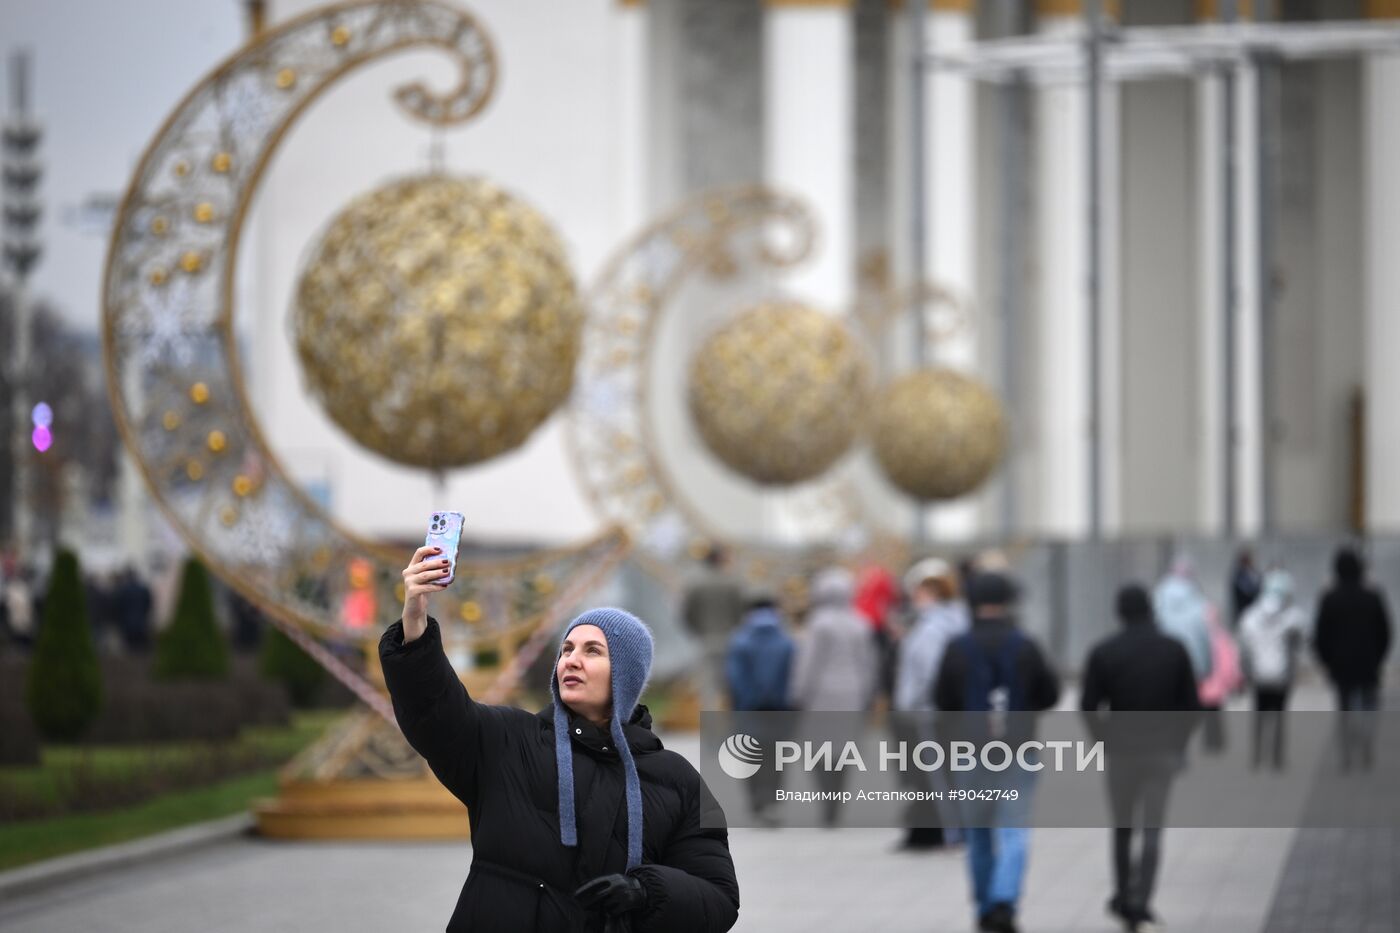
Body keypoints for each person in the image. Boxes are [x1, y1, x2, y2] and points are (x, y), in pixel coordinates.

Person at [380, 545, 740, 932]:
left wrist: (646, 891)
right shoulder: (507, 739)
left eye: (592, 651)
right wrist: (414, 621)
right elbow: (435, 710)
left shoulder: (677, 779)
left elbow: (719, 898)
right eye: (567, 648)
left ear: (625, 675)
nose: (571, 659)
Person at [935, 571, 1060, 933]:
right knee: (1014, 830)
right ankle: (1006, 898)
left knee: (978, 835)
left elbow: (942, 701)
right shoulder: (1025, 644)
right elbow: (1049, 694)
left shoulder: (958, 646)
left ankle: (985, 905)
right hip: (1018, 750)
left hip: (971, 752)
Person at [1080, 584, 1201, 933]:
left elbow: (1088, 706)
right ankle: (1142, 900)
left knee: (1122, 827)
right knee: (1152, 829)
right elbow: (1192, 707)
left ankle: (1122, 894)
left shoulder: (1104, 651)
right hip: (1161, 751)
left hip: (1121, 751)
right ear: (1151, 609)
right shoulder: (1174, 649)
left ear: (1119, 612)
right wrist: (1178, 742)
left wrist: (1102, 740)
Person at [789, 566, 877, 826]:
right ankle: (836, 802)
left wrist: (798, 693)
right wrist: (868, 693)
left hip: (821, 695)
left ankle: (826, 801)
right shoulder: (860, 622)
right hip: (853, 694)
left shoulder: (819, 624)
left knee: (819, 751)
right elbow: (868, 662)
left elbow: (809, 663)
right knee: (844, 751)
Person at [892, 557, 969, 849]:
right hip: (946, 711)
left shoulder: (932, 628)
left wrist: (911, 702)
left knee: (938, 776)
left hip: (929, 711)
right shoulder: (956, 621)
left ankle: (953, 834)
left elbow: (928, 672)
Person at [1313, 547, 1392, 771]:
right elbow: (1385, 632)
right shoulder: (1373, 597)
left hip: (1341, 665)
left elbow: (1320, 635)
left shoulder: (1330, 599)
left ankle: (1347, 750)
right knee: (1369, 705)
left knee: (1345, 707)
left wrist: (1327, 661)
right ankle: (1366, 743)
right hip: (1368, 663)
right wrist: (1378, 657)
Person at [724, 591, 794, 826]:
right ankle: (773, 803)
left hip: (748, 709)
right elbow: (793, 676)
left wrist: (744, 701)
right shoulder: (786, 640)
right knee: (776, 757)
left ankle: (756, 804)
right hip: (779, 709)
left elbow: (734, 678)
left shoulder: (740, 640)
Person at [1239, 569, 1307, 770]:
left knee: (1259, 714)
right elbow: (1302, 639)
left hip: (1258, 674)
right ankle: (1277, 757)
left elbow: (1244, 645)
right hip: (1281, 675)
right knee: (1279, 714)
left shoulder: (1251, 615)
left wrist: (1246, 670)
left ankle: (1257, 755)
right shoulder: (1292, 617)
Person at [681, 546, 745, 712]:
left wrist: (697, 630)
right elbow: (741, 612)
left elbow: (687, 613)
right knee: (731, 685)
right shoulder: (733, 583)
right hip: (731, 640)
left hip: (705, 640)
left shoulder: (695, 584)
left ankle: (711, 722)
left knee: (708, 688)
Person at [1152, 558, 1213, 687]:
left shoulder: (1158, 595)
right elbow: (1204, 635)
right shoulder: (1197, 599)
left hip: (1164, 662)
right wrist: (1207, 667)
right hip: (1194, 663)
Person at [1230, 547, 1263, 629]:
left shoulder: (1252, 572)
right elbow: (1247, 591)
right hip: (1244, 611)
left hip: (1252, 611)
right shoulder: (1239, 574)